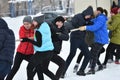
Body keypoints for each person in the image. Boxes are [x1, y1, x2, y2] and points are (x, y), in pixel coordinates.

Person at [21, 14, 57, 80]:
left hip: (42, 53)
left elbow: (39, 44)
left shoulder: (38, 31)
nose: (33, 22)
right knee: (44, 69)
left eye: (34, 21)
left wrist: (27, 40)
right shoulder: (46, 26)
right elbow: (44, 38)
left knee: (29, 68)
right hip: (50, 52)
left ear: (38, 22)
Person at [61, 6, 93, 77]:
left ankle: (81, 70)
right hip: (75, 39)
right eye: (88, 15)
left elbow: (90, 24)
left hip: (82, 40)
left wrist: (88, 24)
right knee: (72, 54)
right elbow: (72, 23)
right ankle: (62, 72)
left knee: (88, 55)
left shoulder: (88, 19)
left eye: (89, 16)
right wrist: (78, 26)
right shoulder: (78, 16)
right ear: (85, 13)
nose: (88, 17)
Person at [79, 7, 109, 74]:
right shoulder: (98, 18)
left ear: (98, 11)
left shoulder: (101, 18)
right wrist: (85, 22)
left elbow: (95, 27)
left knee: (93, 53)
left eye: (95, 10)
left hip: (101, 39)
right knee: (93, 53)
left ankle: (92, 69)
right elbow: (92, 21)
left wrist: (85, 27)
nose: (94, 12)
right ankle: (99, 66)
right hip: (98, 39)